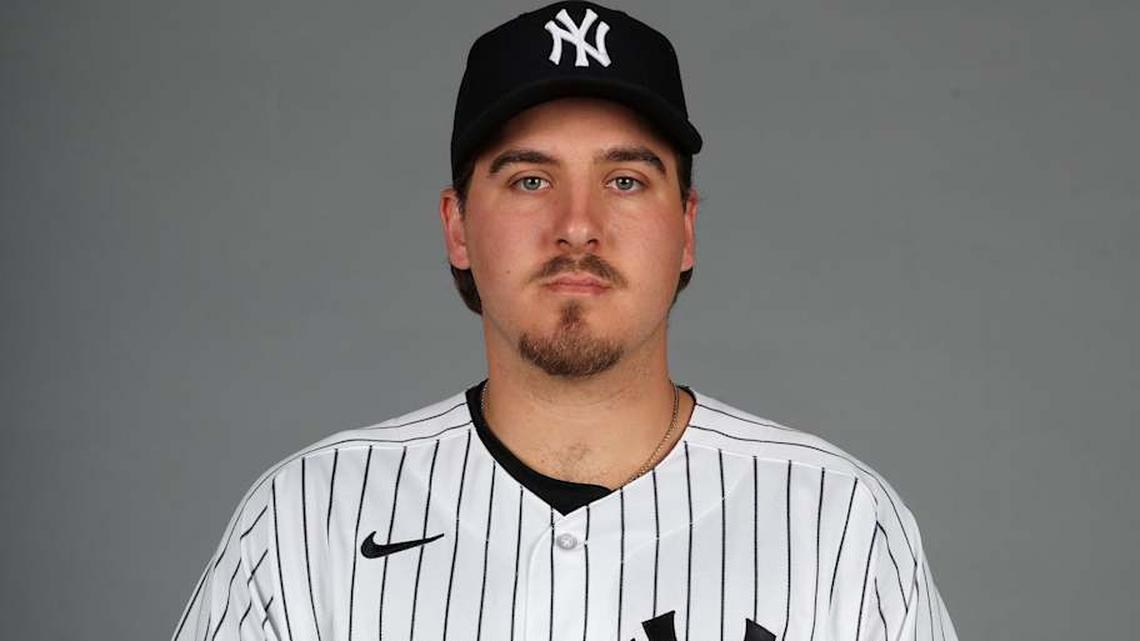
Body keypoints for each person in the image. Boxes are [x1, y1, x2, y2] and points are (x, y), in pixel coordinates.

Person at [171, 3, 958, 640]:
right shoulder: (311, 521)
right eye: (529, 179)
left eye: (623, 178)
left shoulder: (837, 524)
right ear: (457, 227)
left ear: (685, 228)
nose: (577, 225)